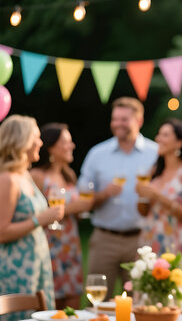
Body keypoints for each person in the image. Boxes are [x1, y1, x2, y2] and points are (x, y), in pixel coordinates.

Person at [78, 97, 158, 297]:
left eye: (124, 119)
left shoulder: (155, 153)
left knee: (140, 302)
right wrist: (105, 194)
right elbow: (82, 199)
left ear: (138, 121)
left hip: (142, 240)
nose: (118, 124)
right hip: (104, 238)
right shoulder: (97, 154)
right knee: (97, 300)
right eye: (115, 119)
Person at [0, 115, 62, 321]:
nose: (41, 143)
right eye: (37, 137)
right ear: (22, 140)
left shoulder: (24, 175)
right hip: (15, 268)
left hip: (37, 262)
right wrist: (40, 220)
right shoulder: (7, 179)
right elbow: (1, 232)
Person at [31, 123, 92, 310]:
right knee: (51, 307)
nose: (72, 146)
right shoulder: (37, 176)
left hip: (71, 247)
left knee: (73, 304)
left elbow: (74, 215)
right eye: (66, 142)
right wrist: (73, 207)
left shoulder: (69, 175)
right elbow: (34, 214)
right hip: (49, 249)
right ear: (50, 147)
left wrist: (82, 209)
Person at [135, 119, 182, 276]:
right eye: (159, 134)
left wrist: (158, 197)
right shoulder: (154, 172)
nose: (158, 138)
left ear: (180, 142)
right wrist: (142, 196)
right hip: (150, 240)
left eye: (165, 135)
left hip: (176, 242)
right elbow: (143, 211)